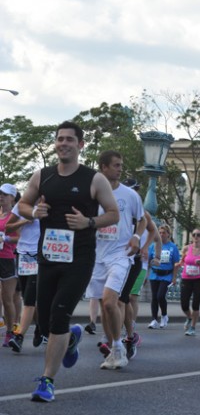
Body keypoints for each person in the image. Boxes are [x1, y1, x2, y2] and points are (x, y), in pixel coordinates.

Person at [17, 121, 119, 402]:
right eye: (60, 139)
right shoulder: (42, 176)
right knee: (44, 322)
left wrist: (88, 222)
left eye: (69, 139)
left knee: (59, 315)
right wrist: (34, 212)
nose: (63, 143)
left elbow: (113, 214)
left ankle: (47, 381)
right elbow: (23, 204)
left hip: (79, 260)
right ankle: (71, 338)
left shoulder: (94, 179)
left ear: (80, 144)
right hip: (48, 257)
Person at [85, 151, 146, 370]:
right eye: (116, 165)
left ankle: (119, 347)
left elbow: (142, 220)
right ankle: (114, 348)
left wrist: (136, 237)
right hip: (97, 255)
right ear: (103, 167)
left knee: (111, 301)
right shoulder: (91, 194)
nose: (120, 169)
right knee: (105, 305)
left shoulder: (130, 195)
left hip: (121, 255)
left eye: (121, 165)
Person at [119, 179, 160, 360]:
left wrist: (149, 251)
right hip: (117, 260)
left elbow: (155, 235)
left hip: (138, 262)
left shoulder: (144, 214)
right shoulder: (119, 208)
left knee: (129, 297)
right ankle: (119, 333)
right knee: (113, 300)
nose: (133, 193)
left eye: (135, 190)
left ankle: (128, 330)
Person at [5, 185, 43, 352]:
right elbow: (8, 228)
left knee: (29, 298)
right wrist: (25, 221)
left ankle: (19, 336)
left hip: (40, 256)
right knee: (29, 298)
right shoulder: (21, 206)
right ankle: (40, 327)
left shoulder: (46, 207)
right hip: (22, 255)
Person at [177, 229, 200, 336]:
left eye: (198, 235)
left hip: (199, 280)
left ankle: (192, 327)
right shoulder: (186, 248)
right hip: (186, 279)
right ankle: (189, 317)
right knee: (184, 304)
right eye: (194, 234)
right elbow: (182, 262)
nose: (196, 236)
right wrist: (178, 265)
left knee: (196, 304)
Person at [0, 183, 21, 347]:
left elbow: (20, 238)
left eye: (5, 194)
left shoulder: (15, 216)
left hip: (9, 258)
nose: (1, 197)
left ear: (13, 198)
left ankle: (10, 332)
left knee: (8, 299)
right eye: (0, 194)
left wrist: (5, 239)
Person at [148, 224, 179, 329]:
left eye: (163, 233)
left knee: (160, 296)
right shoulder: (153, 246)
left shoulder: (173, 247)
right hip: (154, 274)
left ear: (168, 234)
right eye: (160, 233)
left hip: (166, 275)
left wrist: (174, 277)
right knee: (154, 297)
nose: (161, 235)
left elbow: (176, 263)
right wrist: (146, 274)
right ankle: (154, 319)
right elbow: (148, 260)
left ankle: (164, 316)